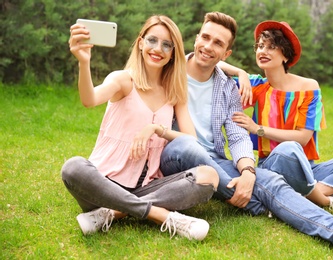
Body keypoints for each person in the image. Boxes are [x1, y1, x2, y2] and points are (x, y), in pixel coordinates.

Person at [159, 12, 333, 258]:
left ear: (226, 53)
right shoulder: (169, 69)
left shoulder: (227, 87)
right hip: (177, 153)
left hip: (219, 160)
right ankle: (278, 202)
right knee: (192, 147)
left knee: (268, 180)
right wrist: (241, 72)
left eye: (218, 43)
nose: (208, 46)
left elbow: (237, 136)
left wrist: (248, 171)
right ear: (195, 38)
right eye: (205, 37)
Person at [61, 15, 219, 241]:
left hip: (148, 187)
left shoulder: (174, 92)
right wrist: (84, 61)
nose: (158, 49)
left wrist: (156, 128)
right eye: (152, 40)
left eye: (167, 45)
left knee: (208, 176)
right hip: (104, 185)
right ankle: (162, 215)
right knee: (73, 167)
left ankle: (113, 213)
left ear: (173, 52)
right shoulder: (123, 80)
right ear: (140, 43)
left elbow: (190, 140)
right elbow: (89, 99)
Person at [218, 20, 333, 208]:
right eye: (260, 46)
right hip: (273, 166)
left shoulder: (309, 88)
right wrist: (240, 72)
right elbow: (214, 64)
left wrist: (258, 129)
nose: (263, 51)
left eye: (272, 47)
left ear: (286, 56)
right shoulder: (256, 85)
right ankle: (325, 199)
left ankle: (301, 194)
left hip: (308, 168)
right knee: (288, 149)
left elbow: (303, 139)